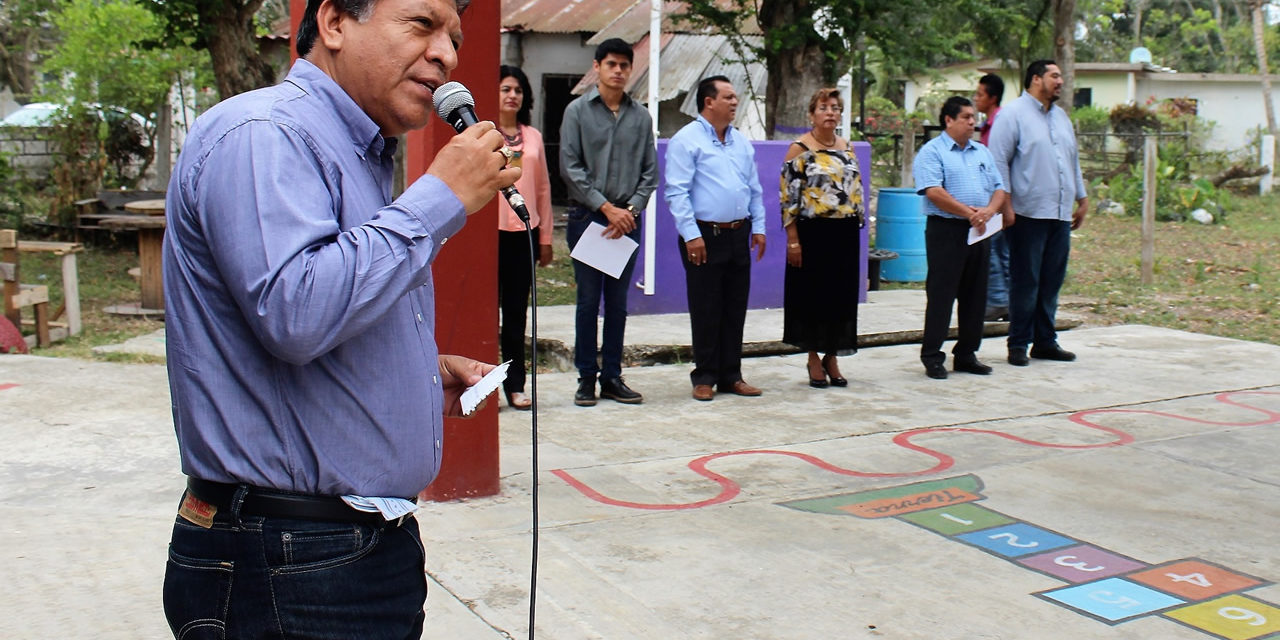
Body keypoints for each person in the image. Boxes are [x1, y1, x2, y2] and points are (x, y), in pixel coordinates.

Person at [160, 0, 518, 636]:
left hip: (347, 547)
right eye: (422, 25)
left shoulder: (361, 153)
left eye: (455, 37)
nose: (446, 54)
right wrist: (439, 198)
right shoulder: (264, 135)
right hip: (288, 555)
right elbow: (296, 312)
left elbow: (329, 310)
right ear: (332, 23)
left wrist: (415, 375)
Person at [559, 37, 657, 407]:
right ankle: (586, 377)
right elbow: (570, 168)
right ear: (597, 67)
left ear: (631, 71)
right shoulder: (577, 112)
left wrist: (628, 211)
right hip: (589, 218)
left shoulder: (641, 116)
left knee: (617, 304)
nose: (618, 71)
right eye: (611, 64)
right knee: (588, 302)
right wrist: (606, 209)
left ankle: (612, 376)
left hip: (627, 222)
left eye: (624, 66)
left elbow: (650, 173)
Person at [664, 76, 767, 401]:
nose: (735, 102)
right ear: (709, 102)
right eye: (728, 97)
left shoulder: (741, 142)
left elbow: (753, 188)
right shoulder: (687, 140)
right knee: (706, 306)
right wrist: (691, 235)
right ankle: (704, 375)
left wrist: (760, 226)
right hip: (704, 236)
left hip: (739, 233)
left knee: (735, 306)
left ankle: (731, 375)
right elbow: (676, 192)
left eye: (735, 97)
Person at [987, 60, 1088, 367]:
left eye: (1060, 76)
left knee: (1051, 280)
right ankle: (1018, 342)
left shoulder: (1062, 118)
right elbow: (998, 162)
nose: (1060, 81)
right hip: (1026, 213)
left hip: (1058, 213)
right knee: (1025, 280)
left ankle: (1045, 341)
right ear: (1035, 79)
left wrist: (1081, 197)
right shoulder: (1013, 115)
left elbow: (1072, 161)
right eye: (1054, 76)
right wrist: (1005, 205)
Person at [913, 96, 1008, 379]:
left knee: (976, 294)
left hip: (980, 230)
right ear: (949, 120)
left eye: (974, 117)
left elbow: (999, 188)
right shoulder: (932, 152)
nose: (972, 122)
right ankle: (932, 355)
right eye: (966, 117)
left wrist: (989, 211)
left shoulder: (981, 152)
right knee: (942, 294)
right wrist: (969, 213)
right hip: (947, 230)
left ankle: (967, 353)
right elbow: (934, 191)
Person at [779, 87, 864, 388]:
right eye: (824, 107)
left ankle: (833, 356)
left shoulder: (847, 147)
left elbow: (855, 190)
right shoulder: (799, 148)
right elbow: (788, 198)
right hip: (812, 232)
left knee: (839, 297)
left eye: (835, 108)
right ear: (812, 114)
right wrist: (793, 240)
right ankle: (813, 357)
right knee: (813, 296)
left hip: (844, 232)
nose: (831, 112)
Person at [496, 64, 553, 410]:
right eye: (505, 89)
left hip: (524, 235)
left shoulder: (532, 136)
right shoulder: (483, 133)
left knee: (516, 316)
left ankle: (515, 386)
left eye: (517, 89)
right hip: (490, 237)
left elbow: (544, 188)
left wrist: (545, 236)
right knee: (487, 316)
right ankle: (486, 385)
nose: (512, 95)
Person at [975, 73, 1011, 322]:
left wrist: (1000, 203)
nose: (976, 99)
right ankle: (1008, 301)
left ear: (992, 97)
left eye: (980, 95)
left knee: (992, 249)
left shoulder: (999, 123)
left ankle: (998, 300)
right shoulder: (989, 124)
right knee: (1002, 251)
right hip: (997, 195)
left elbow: (998, 165)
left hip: (998, 197)